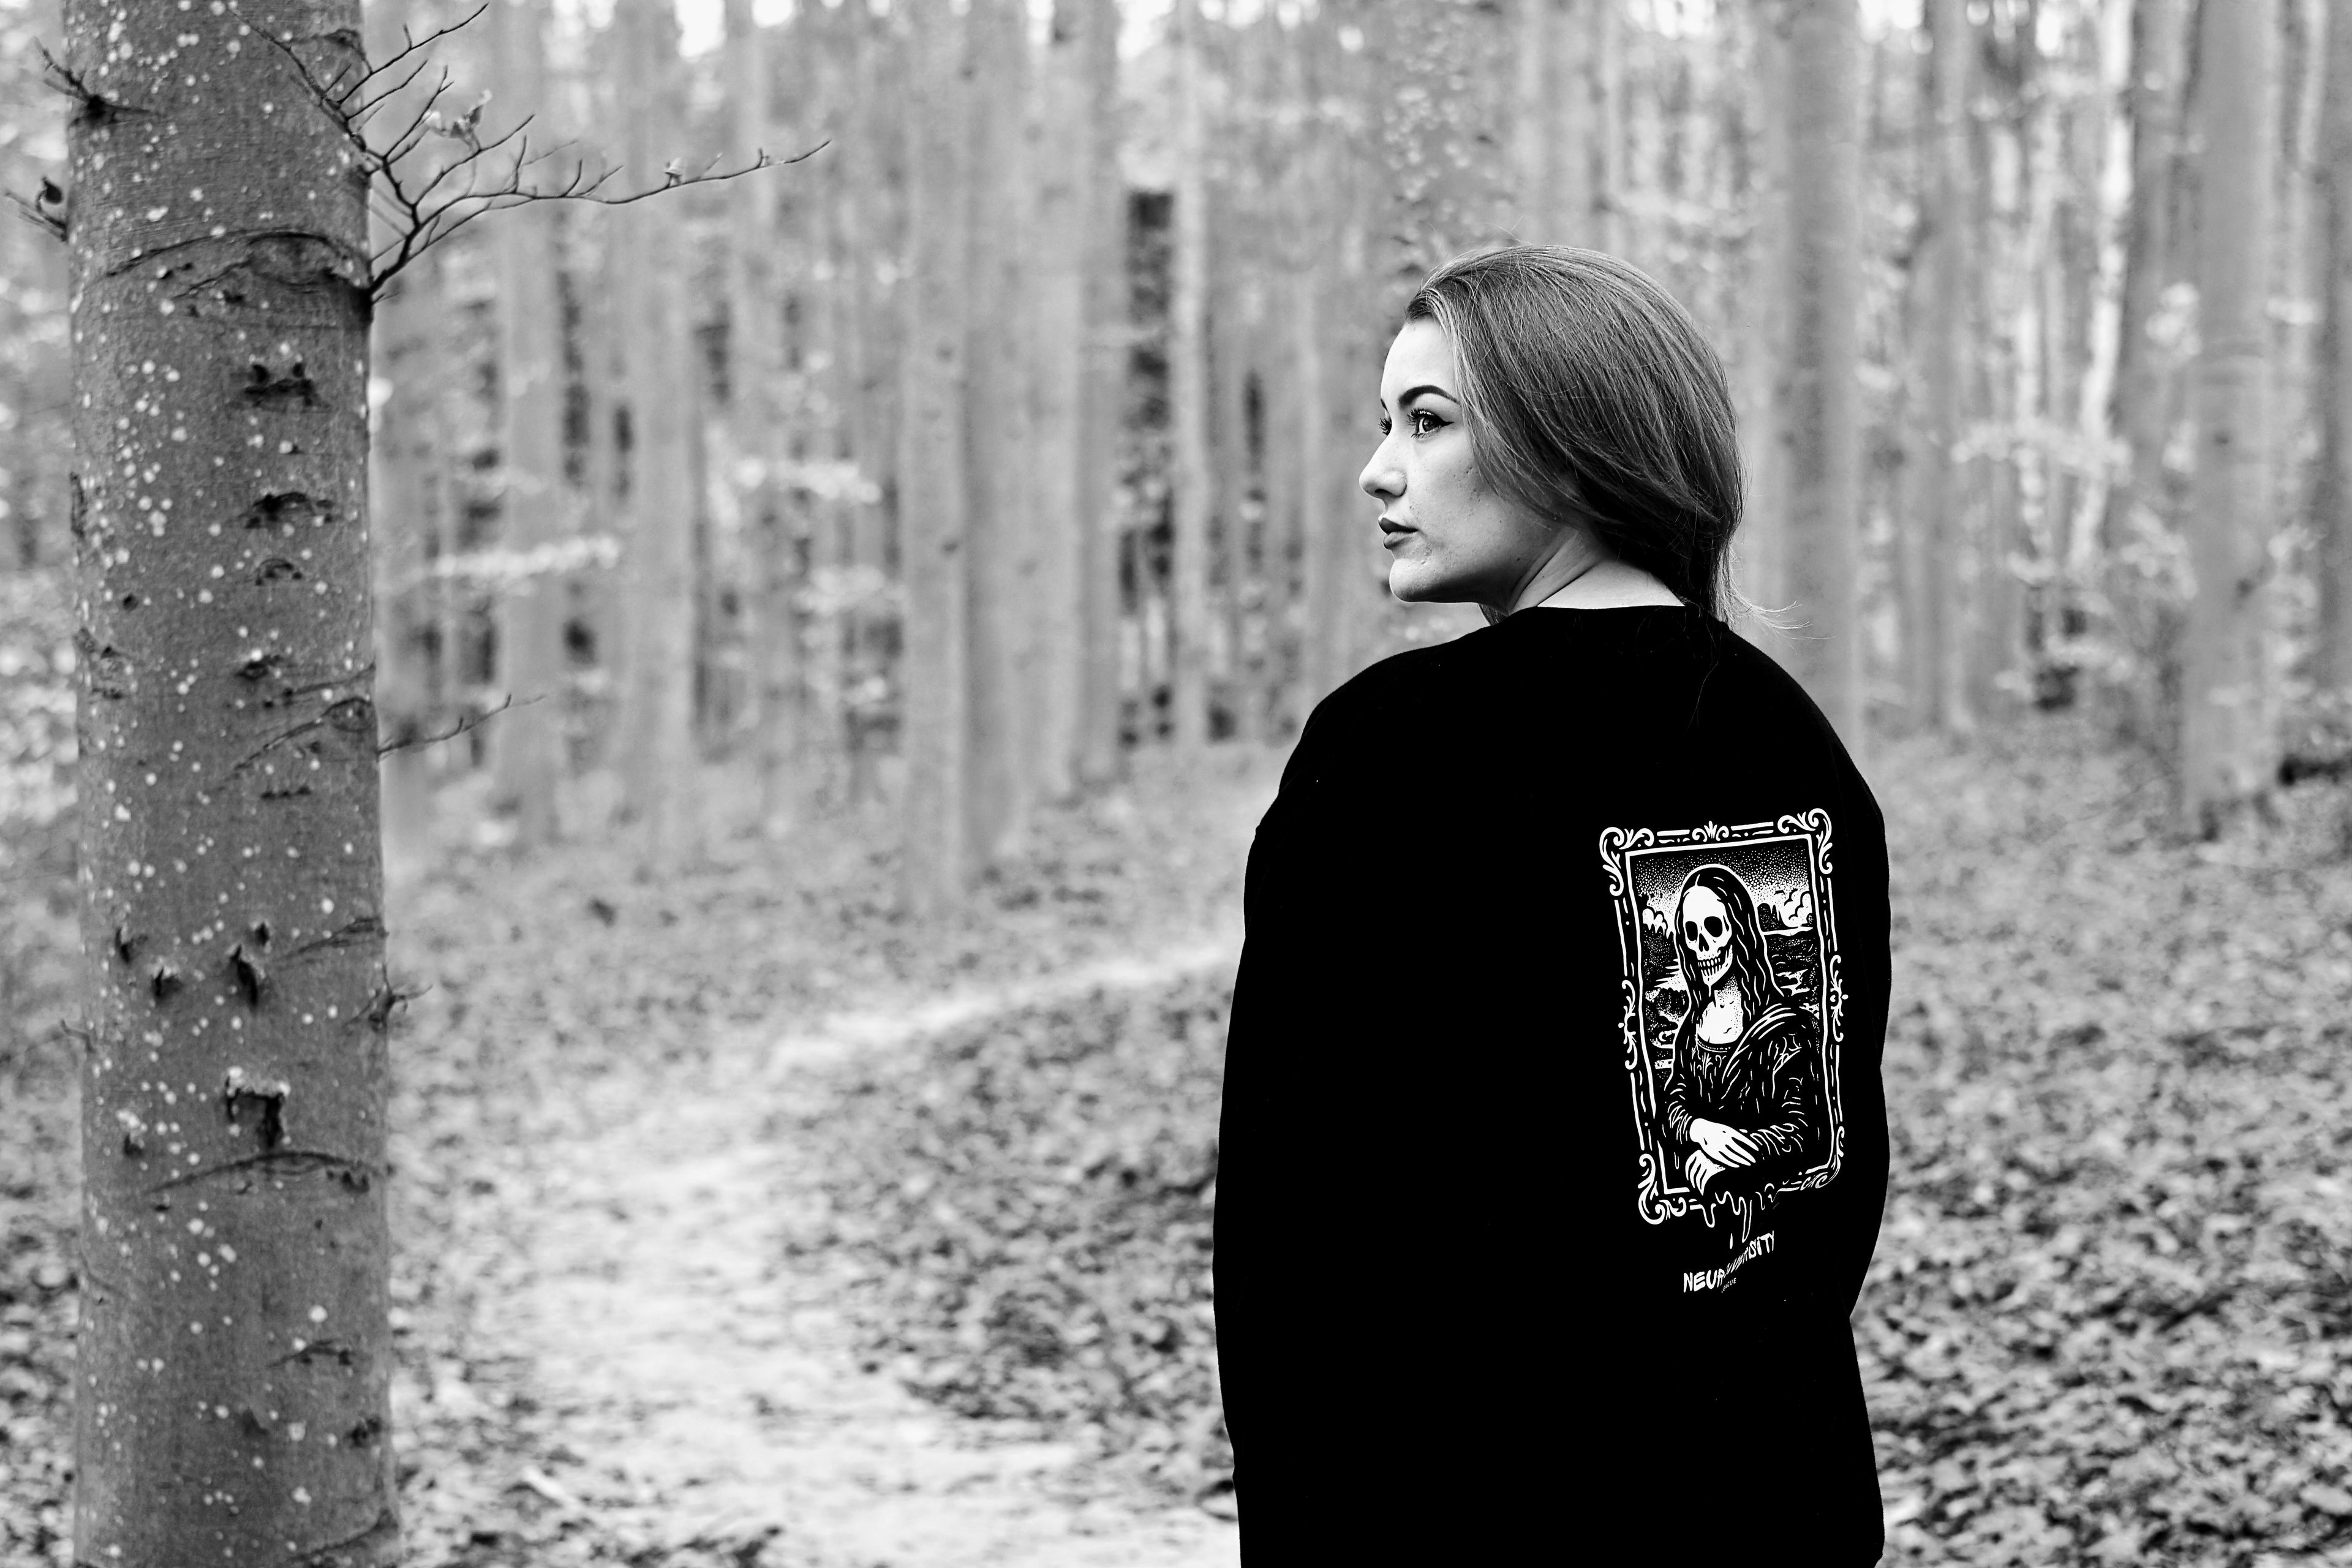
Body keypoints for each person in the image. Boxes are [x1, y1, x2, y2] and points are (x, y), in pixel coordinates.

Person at [1212, 246, 1890, 1564]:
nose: (1377, 471)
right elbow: (1823, 1191)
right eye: (1384, 422)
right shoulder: (1793, 743)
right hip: (1771, 1503)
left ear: (1572, 447)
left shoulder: (1393, 751)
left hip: (1473, 1516)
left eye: (1428, 422)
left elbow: (1295, 1235)